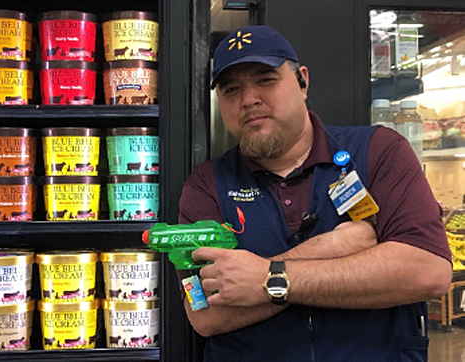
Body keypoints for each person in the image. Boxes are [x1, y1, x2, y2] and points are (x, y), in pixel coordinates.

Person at [177, 25, 452, 362]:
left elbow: (427, 270)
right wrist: (331, 247)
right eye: (231, 89)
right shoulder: (205, 185)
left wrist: (267, 279)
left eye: (266, 79)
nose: (248, 99)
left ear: (302, 81)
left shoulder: (379, 152)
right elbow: (205, 315)